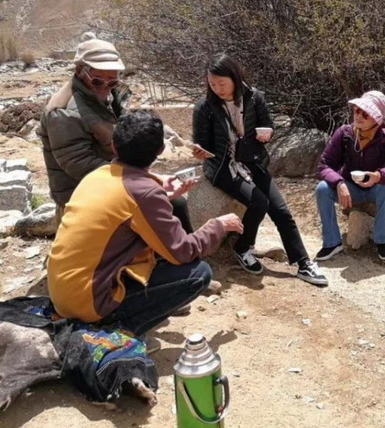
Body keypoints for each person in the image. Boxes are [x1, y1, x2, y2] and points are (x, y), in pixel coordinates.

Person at [47, 110, 243, 338]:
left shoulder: (96, 175)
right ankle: (118, 330)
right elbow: (183, 252)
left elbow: (127, 205)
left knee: (173, 209)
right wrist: (218, 225)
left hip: (63, 294)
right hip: (90, 303)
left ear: (114, 146)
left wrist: (160, 191)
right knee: (199, 274)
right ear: (160, 150)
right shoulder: (144, 194)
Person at [192, 53, 328, 286]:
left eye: (221, 84)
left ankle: (303, 262)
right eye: (212, 84)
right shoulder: (204, 107)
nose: (217, 89)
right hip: (223, 166)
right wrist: (200, 151)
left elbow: (267, 125)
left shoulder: (255, 97)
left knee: (282, 211)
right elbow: (202, 142)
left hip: (253, 161)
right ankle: (243, 247)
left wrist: (267, 134)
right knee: (259, 202)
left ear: (234, 78)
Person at [37, 35, 193, 232]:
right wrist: (140, 178)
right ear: (79, 71)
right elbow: (78, 164)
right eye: (97, 81)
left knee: (172, 203)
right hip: (85, 194)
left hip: (114, 180)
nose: (105, 87)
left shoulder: (107, 94)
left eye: (112, 82)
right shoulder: (64, 112)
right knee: (168, 205)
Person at [315, 90, 385, 261]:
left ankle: (382, 240)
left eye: (366, 113)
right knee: (322, 189)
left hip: (376, 190)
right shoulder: (344, 133)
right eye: (357, 110)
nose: (359, 116)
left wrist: (378, 176)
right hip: (351, 188)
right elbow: (324, 165)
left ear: (377, 118)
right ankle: (332, 242)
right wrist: (339, 183)